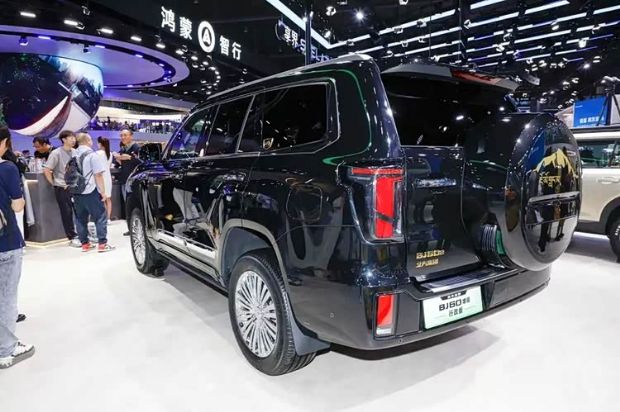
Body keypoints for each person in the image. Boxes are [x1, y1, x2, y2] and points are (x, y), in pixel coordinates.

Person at [0, 127, 35, 369]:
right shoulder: (7, 168)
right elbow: (17, 206)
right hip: (6, 241)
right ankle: (6, 350)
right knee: (6, 297)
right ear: (4, 142)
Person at [73, 133, 114, 252]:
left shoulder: (73, 154)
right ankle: (102, 244)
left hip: (77, 191)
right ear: (88, 141)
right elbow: (98, 175)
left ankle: (85, 244)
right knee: (100, 216)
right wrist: (103, 192)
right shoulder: (92, 155)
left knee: (80, 218)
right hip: (91, 190)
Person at [44, 131, 80, 247]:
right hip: (62, 187)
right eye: (71, 138)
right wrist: (54, 183)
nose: (73, 140)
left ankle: (82, 234)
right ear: (64, 139)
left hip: (76, 186)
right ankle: (72, 237)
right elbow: (47, 170)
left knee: (80, 211)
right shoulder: (56, 153)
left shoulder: (76, 152)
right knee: (67, 213)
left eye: (74, 138)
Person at [113, 129, 140, 235]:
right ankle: (131, 228)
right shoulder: (123, 149)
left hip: (134, 181)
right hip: (124, 181)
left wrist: (129, 158)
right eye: (121, 135)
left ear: (131, 136)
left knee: (135, 205)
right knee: (127, 206)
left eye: (125, 135)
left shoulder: (136, 148)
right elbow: (117, 162)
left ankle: (137, 228)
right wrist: (118, 158)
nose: (123, 137)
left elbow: (140, 162)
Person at [97, 136, 113, 221]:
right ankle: (108, 218)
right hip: (108, 177)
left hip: (100, 177)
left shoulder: (98, 153)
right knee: (108, 199)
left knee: (102, 199)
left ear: (100, 144)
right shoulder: (110, 154)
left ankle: (103, 218)